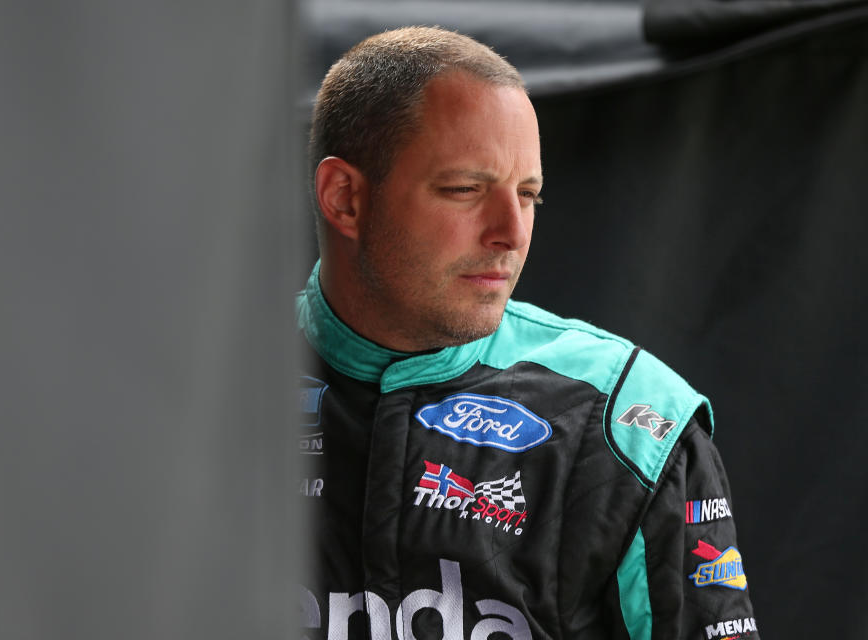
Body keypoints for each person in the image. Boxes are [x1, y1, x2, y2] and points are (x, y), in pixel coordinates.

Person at [297, 26, 758, 640]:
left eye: (529, 195)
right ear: (345, 198)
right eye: (465, 190)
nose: (511, 233)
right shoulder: (186, 395)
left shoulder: (630, 419)